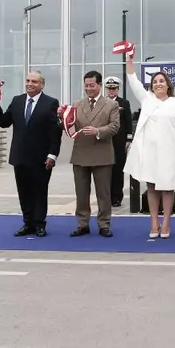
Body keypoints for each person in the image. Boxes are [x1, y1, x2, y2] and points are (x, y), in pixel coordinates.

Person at [123, 54, 175, 238]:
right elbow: (133, 80)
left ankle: (166, 222)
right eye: (155, 82)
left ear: (168, 85)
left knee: (167, 187)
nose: (158, 84)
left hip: (169, 151)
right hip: (149, 151)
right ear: (152, 86)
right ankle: (154, 222)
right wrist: (129, 61)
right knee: (151, 187)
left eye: (161, 81)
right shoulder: (147, 99)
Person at [0, 71, 61, 237]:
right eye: (28, 81)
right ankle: (28, 223)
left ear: (42, 85)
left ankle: (39, 224)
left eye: (34, 81)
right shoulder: (17, 100)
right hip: (20, 156)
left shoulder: (50, 103)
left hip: (41, 158)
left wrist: (52, 155)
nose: (30, 84)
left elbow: (55, 132)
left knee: (40, 192)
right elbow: (4, 122)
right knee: (24, 192)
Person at [69, 71, 120, 238]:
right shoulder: (77, 104)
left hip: (102, 154)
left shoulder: (111, 104)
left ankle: (104, 224)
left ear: (99, 85)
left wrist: (98, 131)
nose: (89, 88)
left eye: (92, 85)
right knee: (81, 193)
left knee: (103, 193)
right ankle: (82, 224)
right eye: (86, 86)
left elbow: (114, 126)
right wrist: (62, 119)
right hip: (81, 154)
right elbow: (69, 125)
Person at [103, 76, 134, 207]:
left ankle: (116, 197)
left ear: (118, 89)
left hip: (119, 142)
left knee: (118, 169)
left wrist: (128, 138)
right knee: (105, 170)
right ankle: (106, 197)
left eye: (114, 88)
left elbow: (128, 121)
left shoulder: (123, 103)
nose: (111, 91)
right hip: (105, 141)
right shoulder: (102, 102)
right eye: (109, 88)